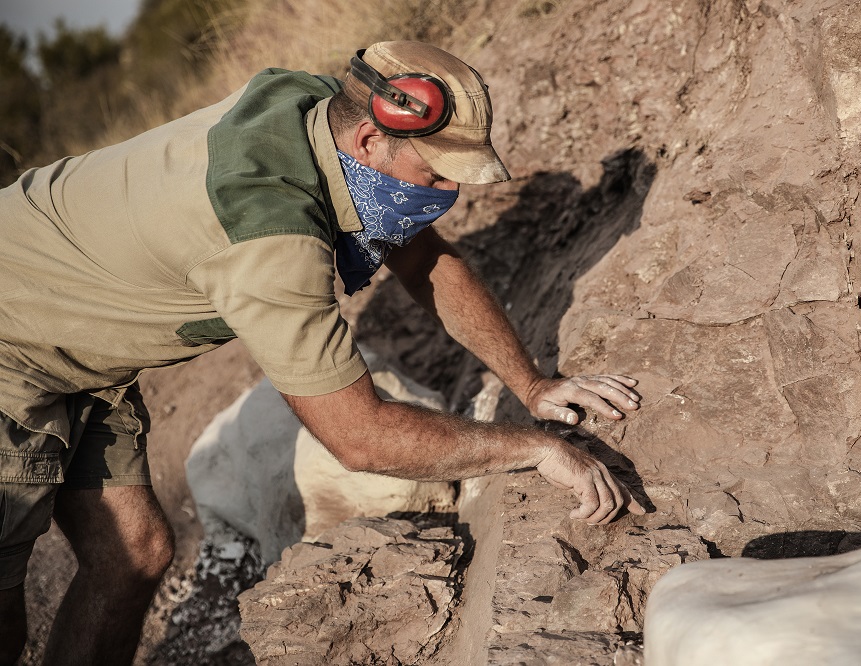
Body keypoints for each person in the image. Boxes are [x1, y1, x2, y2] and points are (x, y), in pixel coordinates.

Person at [0, 41, 643, 665]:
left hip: (73, 333)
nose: (447, 192)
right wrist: (535, 448)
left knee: (133, 553)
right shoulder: (268, 235)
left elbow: (423, 258)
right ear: (369, 140)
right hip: (12, 340)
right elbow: (360, 439)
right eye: (436, 173)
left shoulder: (315, 113)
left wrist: (531, 386)